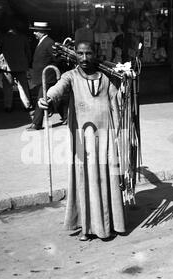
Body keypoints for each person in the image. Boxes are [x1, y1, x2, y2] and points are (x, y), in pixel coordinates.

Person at [38, 40, 126, 241]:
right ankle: (87, 227)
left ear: (96, 54)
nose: (84, 58)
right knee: (85, 179)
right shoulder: (71, 77)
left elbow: (118, 103)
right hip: (82, 139)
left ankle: (110, 223)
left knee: (107, 177)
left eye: (88, 53)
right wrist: (47, 99)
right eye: (80, 53)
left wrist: (126, 82)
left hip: (105, 138)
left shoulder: (106, 78)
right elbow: (57, 90)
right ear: (74, 55)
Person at [0, 19, 33, 114]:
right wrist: (27, 61)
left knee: (7, 87)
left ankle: (8, 106)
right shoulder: (23, 37)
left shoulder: (3, 37)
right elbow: (28, 51)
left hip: (7, 67)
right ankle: (27, 106)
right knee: (23, 86)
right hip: (21, 65)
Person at [26, 21, 59, 131]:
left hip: (47, 77)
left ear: (42, 32)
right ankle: (65, 116)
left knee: (41, 100)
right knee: (51, 99)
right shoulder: (42, 41)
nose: (34, 33)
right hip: (42, 77)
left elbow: (56, 59)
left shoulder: (49, 42)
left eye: (36, 31)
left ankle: (37, 124)